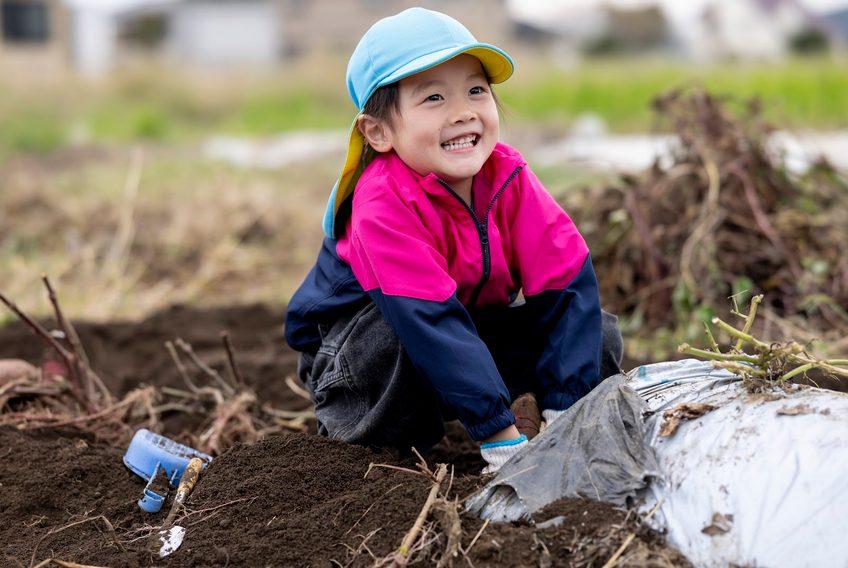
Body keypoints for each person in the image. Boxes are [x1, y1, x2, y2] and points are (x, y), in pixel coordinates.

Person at [285, 7, 623, 474]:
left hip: (462, 333)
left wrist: (566, 410)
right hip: (361, 362)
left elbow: (566, 282)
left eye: (476, 90)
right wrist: (501, 440)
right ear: (379, 132)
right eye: (434, 98)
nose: (463, 111)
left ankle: (537, 413)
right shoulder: (380, 204)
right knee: (396, 346)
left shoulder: (509, 176)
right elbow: (428, 322)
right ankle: (382, 433)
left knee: (596, 331)